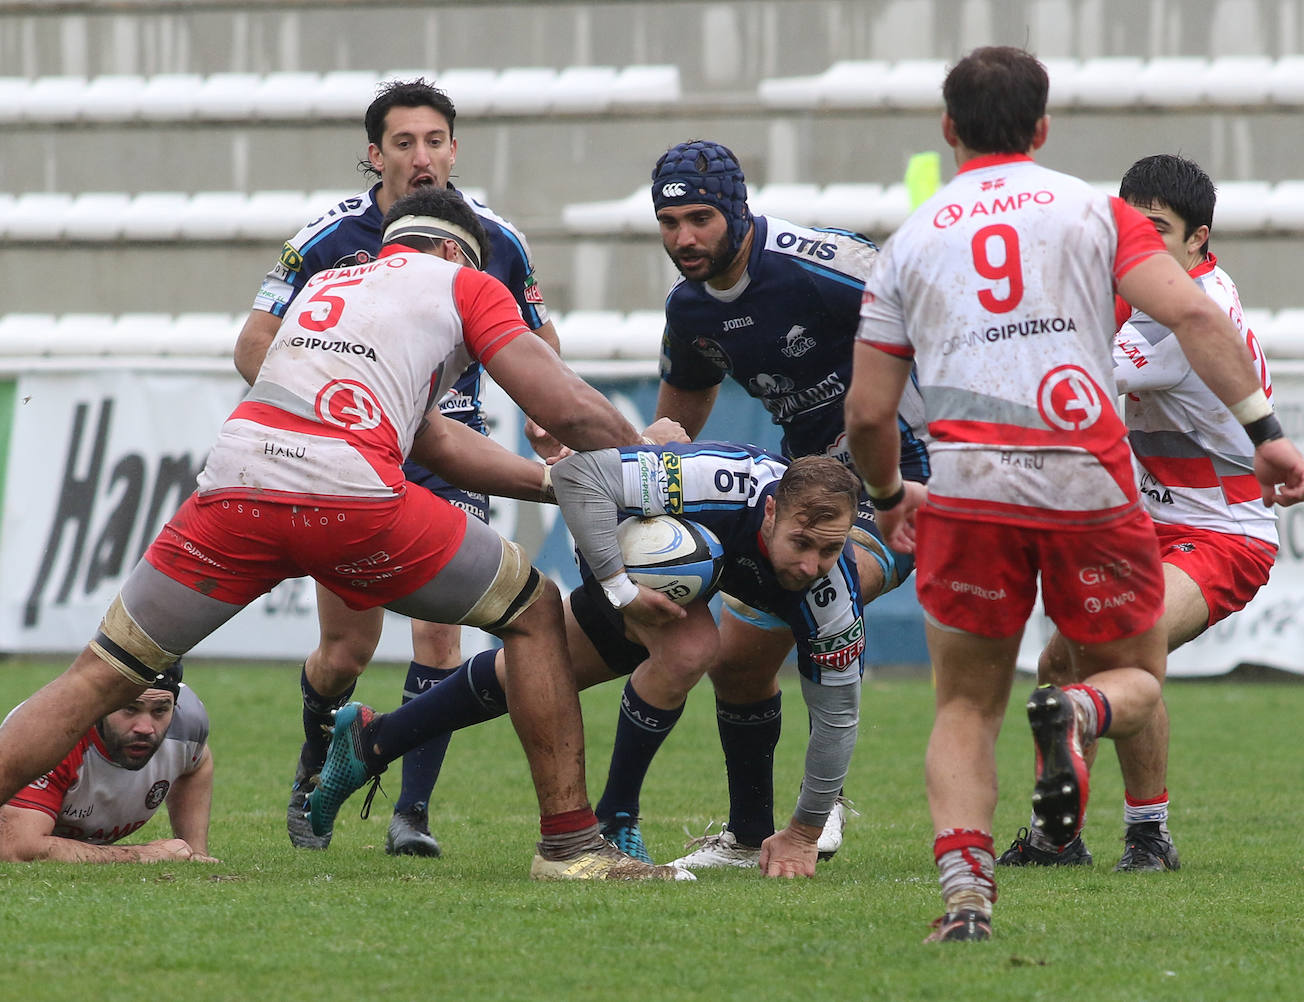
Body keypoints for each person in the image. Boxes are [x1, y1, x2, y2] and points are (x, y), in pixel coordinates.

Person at [0, 187, 693, 882]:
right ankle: (571, 848)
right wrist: (646, 455)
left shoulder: (331, 282)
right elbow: (564, 406)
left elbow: (433, 441)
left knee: (102, 672)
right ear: (456, 250)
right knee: (534, 609)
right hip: (346, 499)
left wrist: (550, 485)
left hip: (233, 489)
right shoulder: (461, 282)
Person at [843, 46, 1304, 941]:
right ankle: (1102, 808)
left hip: (1128, 515)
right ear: (1044, 127)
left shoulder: (910, 241)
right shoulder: (1094, 216)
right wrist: (1269, 433)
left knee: (970, 702)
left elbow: (870, 409)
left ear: (947, 131)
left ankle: (973, 893)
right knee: (1097, 668)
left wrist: (890, 489)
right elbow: (1179, 318)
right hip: (1100, 494)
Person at [234, 78, 563, 857]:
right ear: (374, 154)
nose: (423, 157)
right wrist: (332, 402)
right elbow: (253, 346)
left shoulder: (495, 241)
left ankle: (410, 814)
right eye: (404, 143)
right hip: (350, 455)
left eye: (436, 141)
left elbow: (542, 348)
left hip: (450, 453)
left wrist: (550, 424)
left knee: (442, 639)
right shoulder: (323, 239)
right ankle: (319, 751)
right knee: (346, 650)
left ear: (455, 148)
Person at [305, 445, 884, 878]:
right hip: (616, 543)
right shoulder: (721, 482)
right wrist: (621, 587)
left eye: (829, 549)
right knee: (692, 648)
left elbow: (838, 718)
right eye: (801, 543)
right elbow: (580, 475)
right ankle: (615, 821)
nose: (812, 565)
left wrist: (805, 833)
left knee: (532, 677)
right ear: (768, 515)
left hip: (675, 583)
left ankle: (371, 742)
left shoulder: (831, 598)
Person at [611, 138, 931, 864]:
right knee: (740, 664)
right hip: (807, 494)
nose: (684, 238)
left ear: (736, 210)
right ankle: (750, 835)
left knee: (826, 589)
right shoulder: (691, 309)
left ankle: (817, 814)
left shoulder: (818, 268)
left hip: (904, 488)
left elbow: (938, 319)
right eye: (669, 224)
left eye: (700, 219)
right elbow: (677, 423)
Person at [998, 154, 1281, 873]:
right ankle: (1056, 837)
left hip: (1225, 532)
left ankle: (1147, 833)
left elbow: (1065, 378)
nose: (1140, 240)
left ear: (1198, 240)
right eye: (1131, 224)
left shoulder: (1180, 315)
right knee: (1063, 658)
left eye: (1159, 229)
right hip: (1147, 524)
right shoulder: (1151, 288)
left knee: (1127, 648)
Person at [0, 661, 216, 864]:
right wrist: (145, 854)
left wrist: (195, 852)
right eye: (130, 708)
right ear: (100, 703)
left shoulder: (186, 722)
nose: (145, 728)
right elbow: (17, 846)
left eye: (160, 710)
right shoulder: (50, 737)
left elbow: (198, 762)